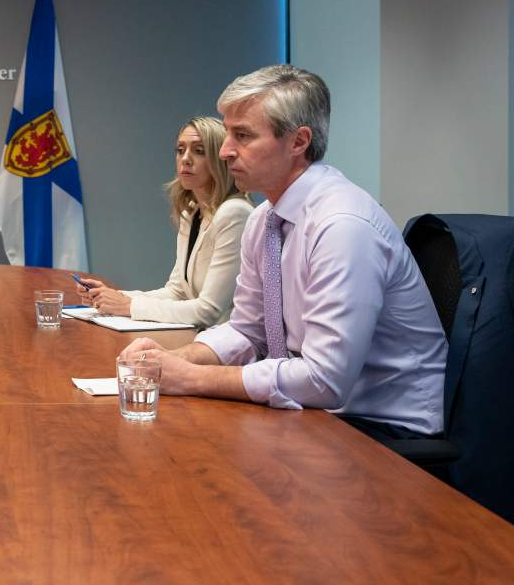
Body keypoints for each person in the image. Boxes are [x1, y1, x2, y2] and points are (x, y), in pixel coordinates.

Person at [121, 65, 447, 439]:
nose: (225, 151)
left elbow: (324, 380)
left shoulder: (342, 226)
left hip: (384, 430)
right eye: (227, 133)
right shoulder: (265, 220)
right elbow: (248, 331)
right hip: (320, 415)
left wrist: (193, 377)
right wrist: (171, 361)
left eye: (242, 135)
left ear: (298, 142)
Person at [76, 117, 252, 328]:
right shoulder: (192, 212)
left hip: (227, 346)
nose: (185, 159)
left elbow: (209, 310)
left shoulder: (234, 213)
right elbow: (177, 291)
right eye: (180, 150)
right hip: (198, 336)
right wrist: (111, 296)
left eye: (199, 151)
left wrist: (127, 305)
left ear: (220, 159)